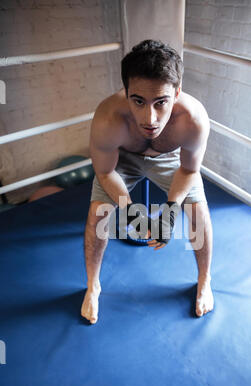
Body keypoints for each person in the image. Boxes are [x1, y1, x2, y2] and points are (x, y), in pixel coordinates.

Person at [81, 39, 214, 324]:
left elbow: (189, 170)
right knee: (97, 214)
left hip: (171, 158)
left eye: (161, 102)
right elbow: (105, 172)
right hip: (123, 160)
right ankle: (93, 285)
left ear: (176, 93)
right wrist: (130, 210)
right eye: (138, 101)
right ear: (126, 92)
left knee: (198, 213)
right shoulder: (108, 118)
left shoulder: (193, 119)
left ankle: (204, 280)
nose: (150, 118)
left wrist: (169, 212)